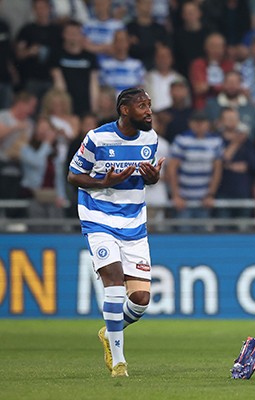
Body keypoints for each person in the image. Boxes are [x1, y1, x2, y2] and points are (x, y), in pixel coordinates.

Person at [67, 88, 165, 378]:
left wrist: (154, 178)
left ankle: (108, 331)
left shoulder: (150, 138)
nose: (149, 111)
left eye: (149, 105)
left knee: (141, 300)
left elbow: (147, 179)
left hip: (133, 224)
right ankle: (119, 363)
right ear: (125, 110)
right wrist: (102, 183)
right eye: (142, 106)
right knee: (113, 281)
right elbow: (73, 175)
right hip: (98, 218)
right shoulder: (97, 139)